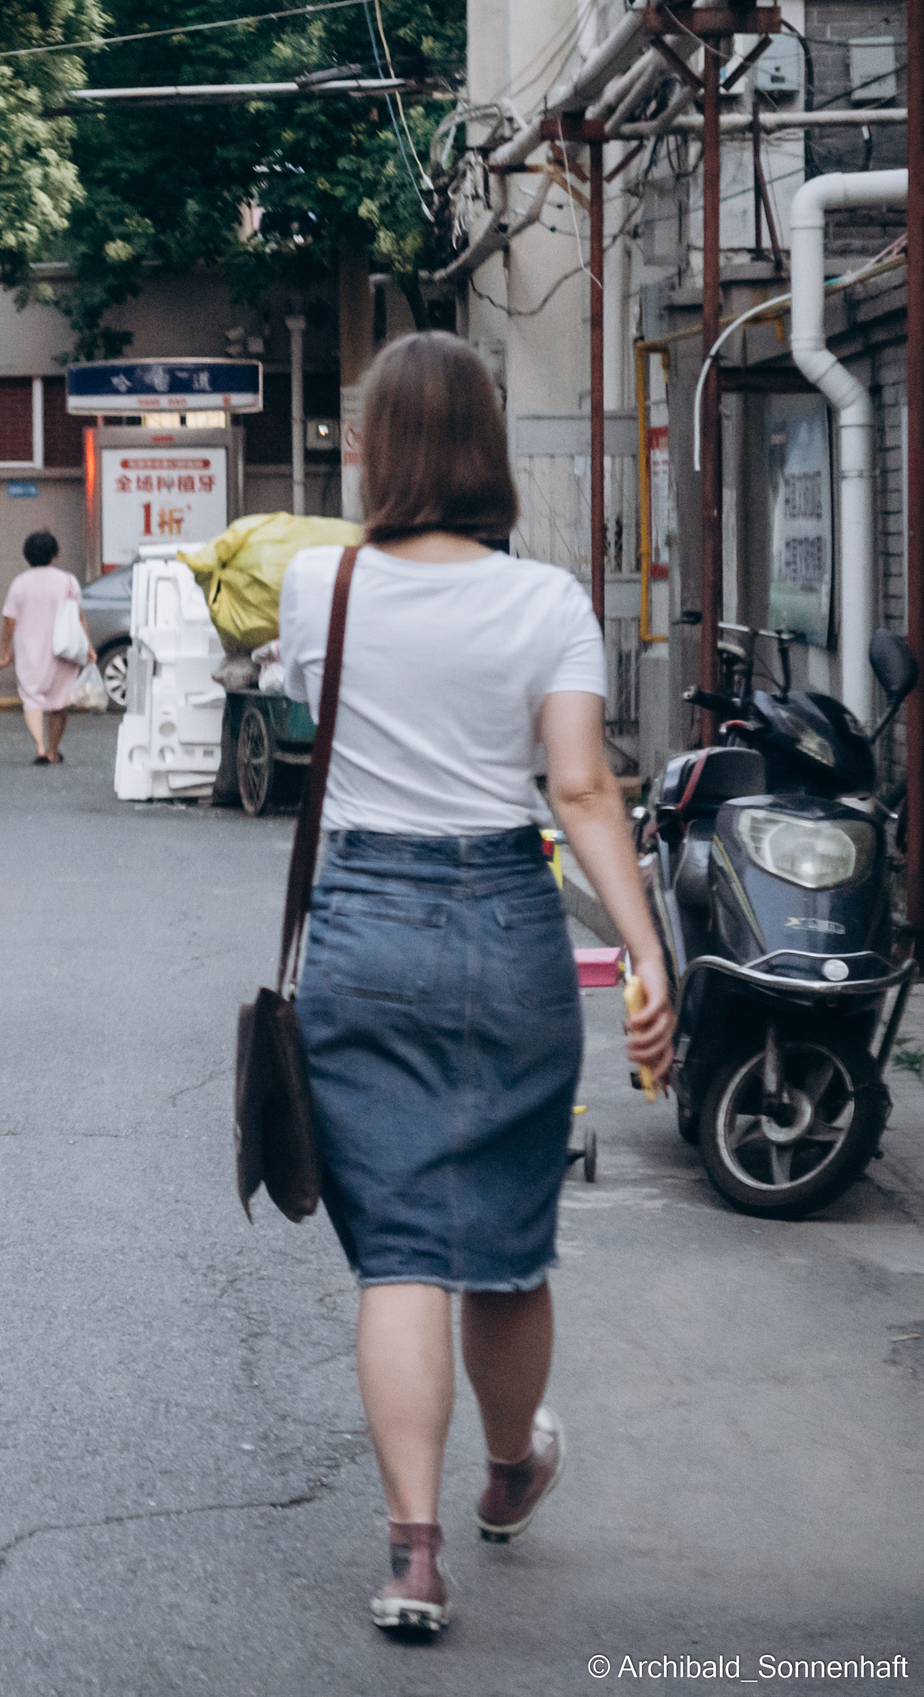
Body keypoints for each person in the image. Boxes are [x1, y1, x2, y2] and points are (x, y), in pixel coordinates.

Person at [273, 331, 673, 1636]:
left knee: (399, 1250)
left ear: (378, 446)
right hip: (507, 922)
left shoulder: (316, 586)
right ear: (488, 446)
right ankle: (509, 1469)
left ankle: (412, 1554)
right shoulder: (549, 601)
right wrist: (645, 947)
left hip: (365, 926)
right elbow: (580, 787)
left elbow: (298, 723)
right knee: (500, 1242)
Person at [0, 530, 80, 763]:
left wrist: (4, 651)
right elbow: (79, 617)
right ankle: (53, 750)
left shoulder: (20, 583)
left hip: (29, 651)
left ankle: (40, 747)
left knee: (32, 699)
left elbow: (9, 620)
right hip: (64, 650)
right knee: (58, 701)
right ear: (54, 554)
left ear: (27, 555)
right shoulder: (68, 580)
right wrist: (88, 647)